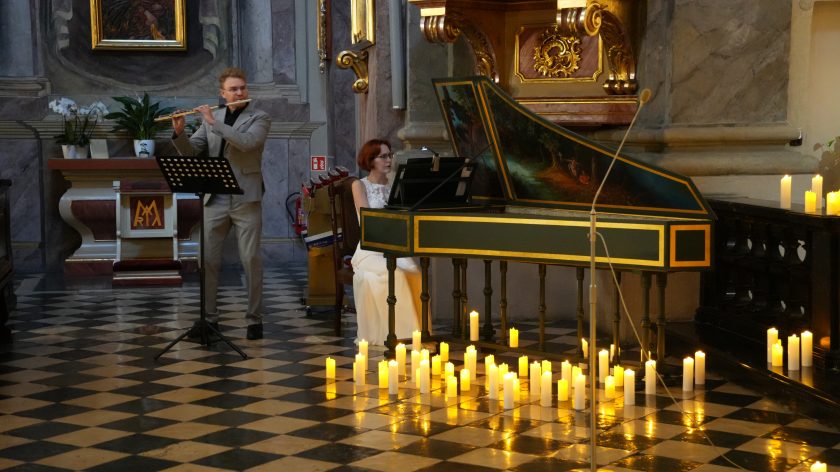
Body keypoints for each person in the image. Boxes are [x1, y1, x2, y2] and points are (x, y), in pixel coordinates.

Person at [171, 67, 271, 340]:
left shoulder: (259, 117)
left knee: (250, 259)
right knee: (208, 260)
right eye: (234, 89)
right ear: (223, 93)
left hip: (245, 196)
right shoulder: (211, 118)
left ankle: (254, 319)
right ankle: (209, 319)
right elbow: (192, 152)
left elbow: (247, 143)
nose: (240, 92)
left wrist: (215, 123)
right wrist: (179, 134)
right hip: (214, 196)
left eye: (243, 88)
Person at [351, 139, 423, 345]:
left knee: (415, 273)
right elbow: (367, 221)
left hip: (395, 246)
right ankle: (400, 337)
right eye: (383, 156)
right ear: (370, 160)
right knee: (397, 275)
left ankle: (417, 334)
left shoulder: (395, 186)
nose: (389, 159)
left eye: (390, 155)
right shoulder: (359, 185)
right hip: (370, 249)